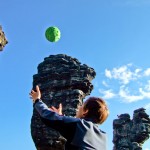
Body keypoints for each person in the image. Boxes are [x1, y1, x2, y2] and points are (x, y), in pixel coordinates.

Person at [30, 85, 109, 150]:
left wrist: (37, 100)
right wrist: (60, 117)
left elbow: (47, 116)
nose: (79, 108)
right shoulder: (103, 137)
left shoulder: (79, 125)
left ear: (86, 111)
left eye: (82, 105)